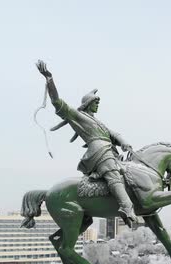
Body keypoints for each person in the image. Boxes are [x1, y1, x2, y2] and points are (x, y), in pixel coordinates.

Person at [36, 60, 138, 225]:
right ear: (88, 103)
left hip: (111, 152)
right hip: (100, 154)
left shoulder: (99, 123)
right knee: (113, 175)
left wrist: (125, 143)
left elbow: (114, 134)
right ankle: (127, 208)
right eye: (96, 102)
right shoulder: (79, 117)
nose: (98, 105)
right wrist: (49, 79)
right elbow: (57, 102)